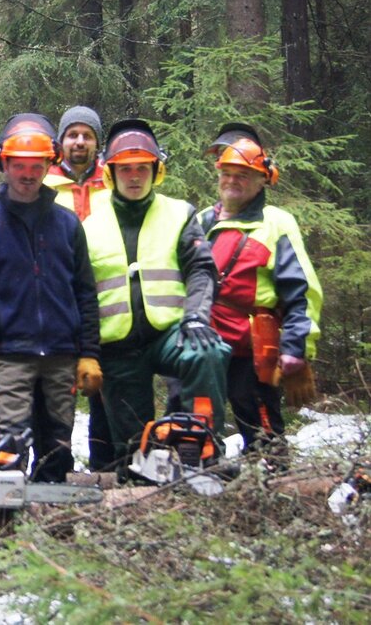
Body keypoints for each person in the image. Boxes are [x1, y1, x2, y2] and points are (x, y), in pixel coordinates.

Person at [83, 119, 230, 467]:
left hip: (170, 334)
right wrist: (85, 349)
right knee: (134, 454)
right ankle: (138, 480)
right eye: (127, 169)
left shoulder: (179, 214)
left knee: (207, 352)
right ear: (112, 172)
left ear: (156, 170)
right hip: (117, 347)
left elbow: (201, 269)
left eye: (142, 169)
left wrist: (196, 316)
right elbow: (81, 293)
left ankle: (200, 445)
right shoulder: (89, 224)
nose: (135, 177)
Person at [0, 114, 101, 483]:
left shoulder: (67, 223)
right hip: (7, 353)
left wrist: (89, 352)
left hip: (61, 353)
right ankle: (6, 529)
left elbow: (85, 291)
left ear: (48, 165)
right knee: (9, 449)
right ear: (3, 164)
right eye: (19, 165)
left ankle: (55, 528)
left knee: (57, 446)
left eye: (35, 166)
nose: (27, 174)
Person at [197, 123, 322, 459]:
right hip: (205, 343)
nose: (233, 181)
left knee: (259, 423)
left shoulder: (276, 223)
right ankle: (201, 477)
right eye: (227, 173)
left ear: (261, 180)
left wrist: (296, 350)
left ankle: (271, 480)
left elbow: (302, 291)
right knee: (198, 418)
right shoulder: (202, 222)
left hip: (252, 346)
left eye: (243, 175)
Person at [48, 106, 114, 472]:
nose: (79, 142)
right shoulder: (44, 179)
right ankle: (58, 462)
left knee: (103, 384)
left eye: (86, 135)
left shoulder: (114, 180)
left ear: (96, 142)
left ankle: (106, 465)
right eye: (72, 134)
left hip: (105, 299)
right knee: (60, 387)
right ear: (61, 141)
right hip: (58, 299)